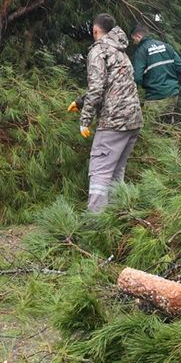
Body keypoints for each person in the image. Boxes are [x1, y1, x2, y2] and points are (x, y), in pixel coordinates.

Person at [78, 14, 143, 213]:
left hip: (113, 121)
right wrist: (80, 102)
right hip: (133, 120)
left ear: (95, 30)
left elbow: (97, 88)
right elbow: (113, 83)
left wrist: (85, 120)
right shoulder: (120, 50)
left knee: (100, 171)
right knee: (116, 173)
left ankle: (95, 221)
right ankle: (116, 218)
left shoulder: (98, 51)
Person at [130, 22, 181, 119]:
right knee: (168, 122)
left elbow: (137, 77)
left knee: (151, 124)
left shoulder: (141, 51)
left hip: (155, 96)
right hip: (173, 92)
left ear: (138, 36)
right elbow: (180, 65)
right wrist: (170, 79)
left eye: (133, 39)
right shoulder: (165, 45)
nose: (134, 42)